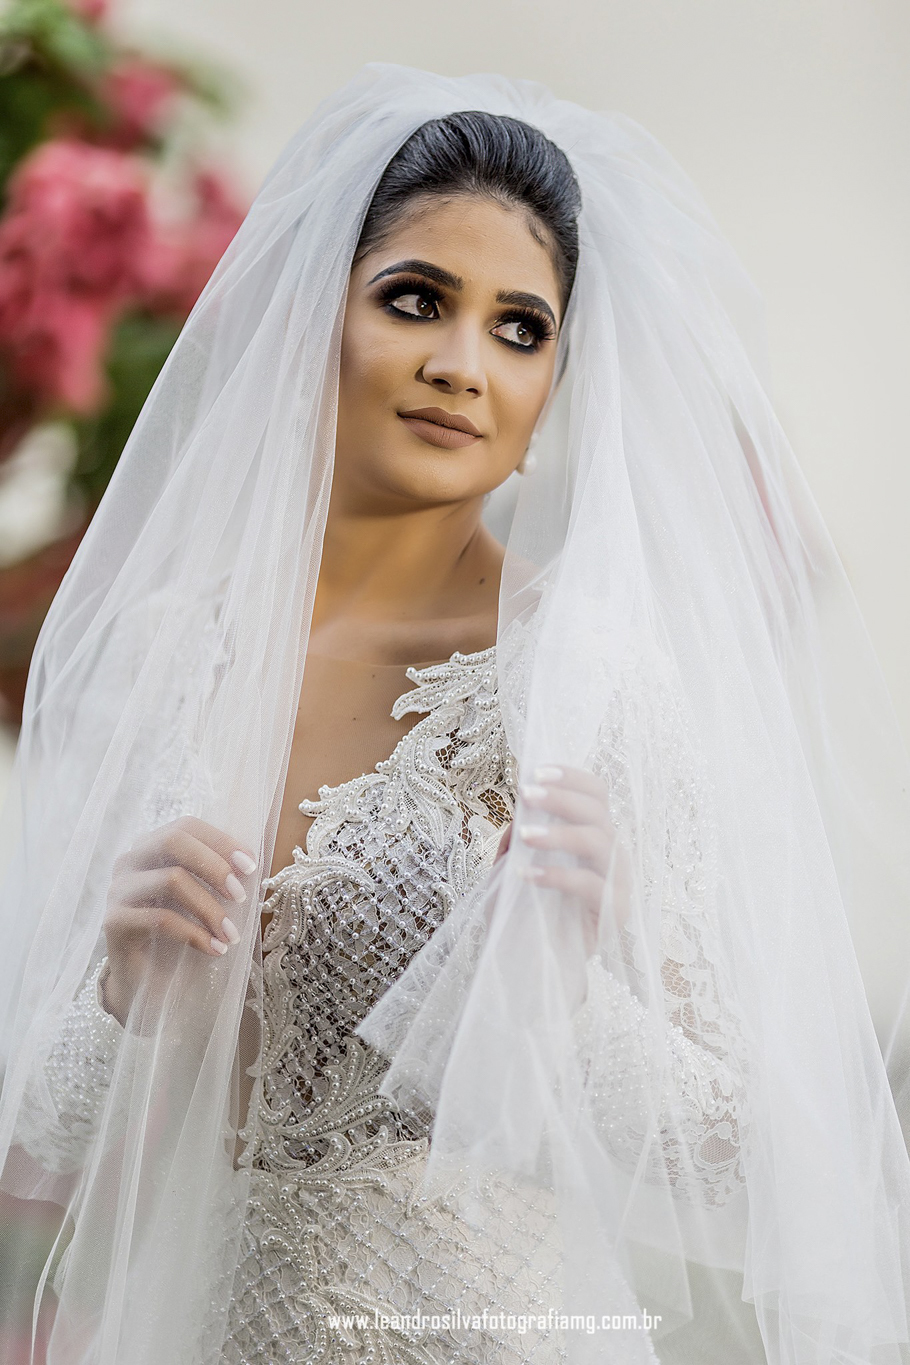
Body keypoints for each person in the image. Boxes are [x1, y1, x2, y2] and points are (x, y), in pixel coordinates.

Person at [0, 64, 908, 1365]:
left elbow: (746, 1157)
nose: (460, 365)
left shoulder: (583, 681)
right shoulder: (170, 651)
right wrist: (124, 991)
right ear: (318, 316)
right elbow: (51, 1125)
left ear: (551, 392)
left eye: (519, 328)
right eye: (416, 299)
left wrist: (565, 997)